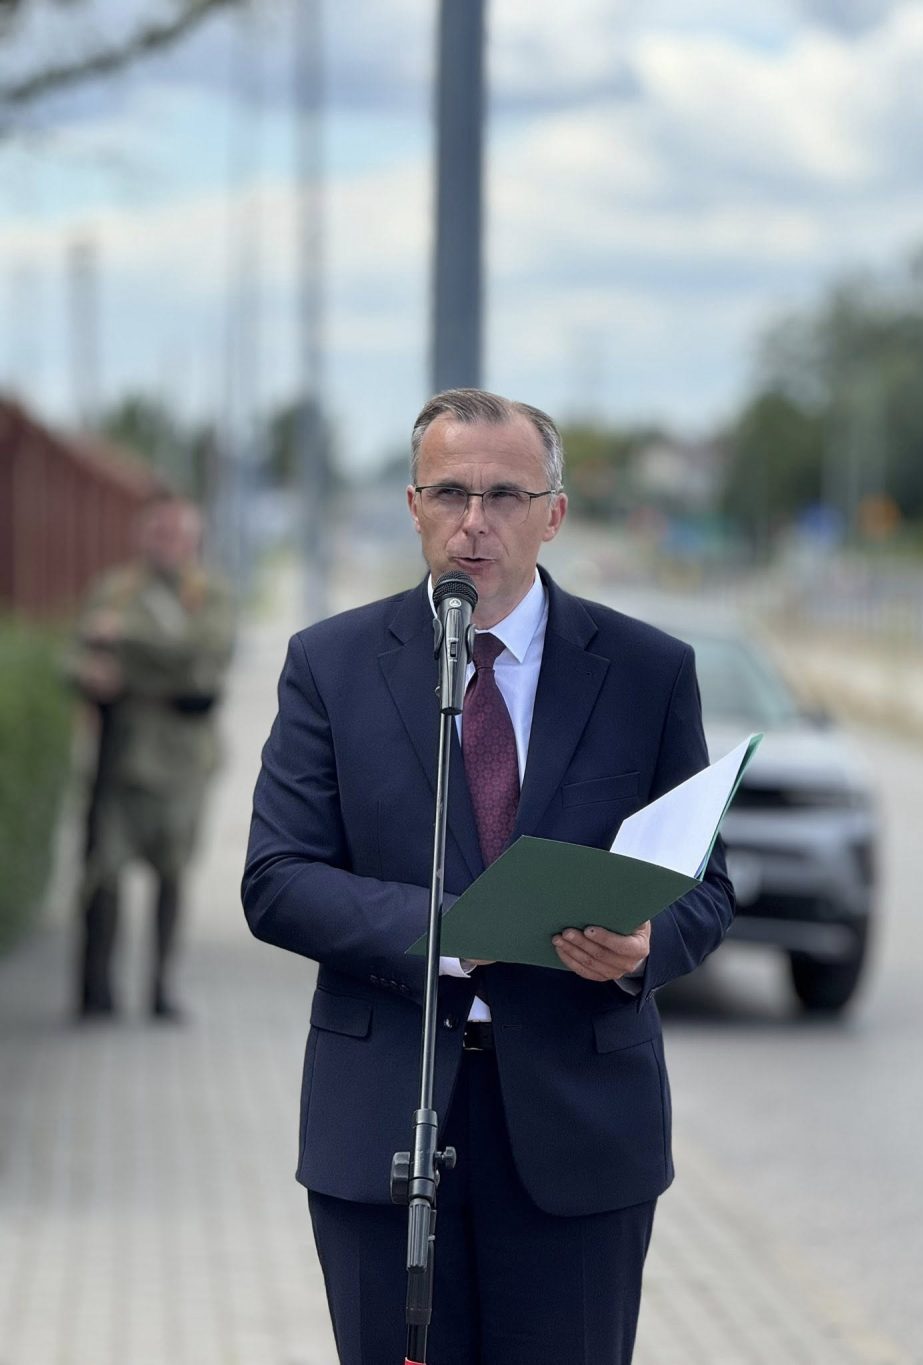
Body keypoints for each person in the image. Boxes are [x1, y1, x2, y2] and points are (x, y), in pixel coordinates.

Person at [242, 388, 734, 1364]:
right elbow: (277, 877)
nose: (476, 521)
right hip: (383, 1120)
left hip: (581, 1134)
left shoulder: (646, 671)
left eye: (505, 495)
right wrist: (455, 930)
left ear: (554, 514)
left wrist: (646, 946)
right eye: (450, 493)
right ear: (413, 506)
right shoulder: (330, 665)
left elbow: (708, 885)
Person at [70, 493, 235, 1020]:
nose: (168, 542)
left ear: (194, 540)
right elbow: (79, 654)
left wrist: (127, 646)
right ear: (143, 535)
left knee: (173, 872)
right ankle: (95, 990)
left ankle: (160, 988)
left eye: (178, 533)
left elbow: (205, 656)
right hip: (121, 756)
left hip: (183, 759)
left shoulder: (209, 594)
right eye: (159, 531)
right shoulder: (115, 590)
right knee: (102, 874)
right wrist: (93, 672)